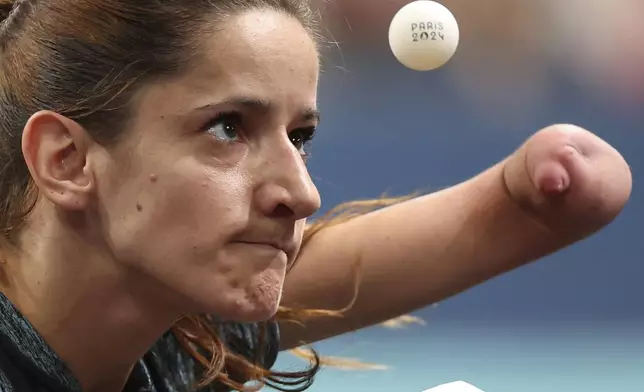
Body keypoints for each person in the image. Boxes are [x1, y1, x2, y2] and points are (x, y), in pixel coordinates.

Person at [0, 0, 632, 391]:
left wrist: (525, 200)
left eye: (299, 136)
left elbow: (348, 268)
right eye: (228, 128)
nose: (302, 193)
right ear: (68, 161)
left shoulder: (166, 326)